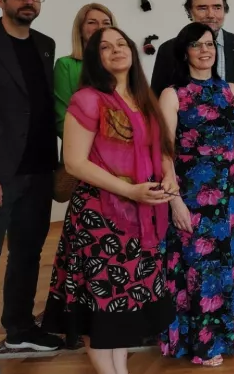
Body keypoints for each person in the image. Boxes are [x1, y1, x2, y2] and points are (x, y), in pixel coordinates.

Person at [42, 27, 177, 374]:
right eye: (105, 47)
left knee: (122, 306)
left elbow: (161, 148)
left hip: (140, 215)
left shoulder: (142, 97)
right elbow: (75, 162)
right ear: (94, 59)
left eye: (121, 43)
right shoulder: (88, 99)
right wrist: (129, 190)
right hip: (99, 218)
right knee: (99, 307)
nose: (116, 50)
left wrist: (169, 175)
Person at [159, 22, 234, 367]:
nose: (205, 50)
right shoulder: (173, 94)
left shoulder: (231, 90)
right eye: (197, 45)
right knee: (199, 267)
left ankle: (228, 335)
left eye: (210, 44)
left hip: (228, 191)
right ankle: (202, 344)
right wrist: (174, 201)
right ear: (184, 52)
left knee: (228, 263)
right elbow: (164, 151)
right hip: (191, 194)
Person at [0, 0, 63, 370]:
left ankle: (19, 328)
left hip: (39, 168)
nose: (29, 1)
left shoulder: (45, 45)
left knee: (28, 252)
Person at [150, 0, 234, 97]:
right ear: (189, 12)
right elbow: (155, 97)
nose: (210, 15)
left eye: (217, 8)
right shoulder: (168, 49)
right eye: (202, 8)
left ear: (224, 11)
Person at [55, 3, 116, 137]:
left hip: (119, 147)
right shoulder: (66, 65)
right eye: (92, 22)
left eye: (106, 23)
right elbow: (62, 120)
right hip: (79, 146)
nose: (100, 27)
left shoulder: (121, 65)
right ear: (80, 30)